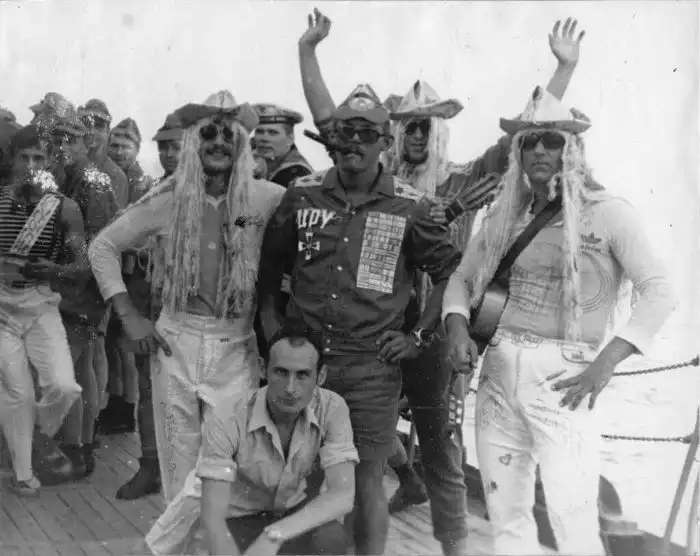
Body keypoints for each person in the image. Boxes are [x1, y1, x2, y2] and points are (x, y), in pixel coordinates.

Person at [298, 9, 586, 552]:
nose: (416, 134)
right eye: (408, 125)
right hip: (375, 340)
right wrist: (309, 52)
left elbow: (526, 135)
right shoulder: (375, 179)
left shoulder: (461, 177)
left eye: (426, 125)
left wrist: (562, 71)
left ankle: (454, 546)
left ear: (439, 132)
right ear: (393, 133)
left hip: (431, 340)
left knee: (442, 450)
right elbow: (332, 124)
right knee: (352, 451)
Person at [442, 86, 677, 555]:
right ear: (518, 152)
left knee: (573, 519)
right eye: (529, 142)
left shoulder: (609, 212)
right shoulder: (506, 216)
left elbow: (660, 292)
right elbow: (461, 280)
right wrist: (457, 328)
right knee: (506, 515)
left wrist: (606, 363)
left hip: (566, 376)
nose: (540, 151)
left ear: (573, 149)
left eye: (551, 141)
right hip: (498, 371)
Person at [257, 84, 463, 555]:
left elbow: (450, 272)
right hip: (304, 366)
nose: (354, 141)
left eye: (366, 134)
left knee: (367, 482)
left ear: (384, 143)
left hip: (372, 368)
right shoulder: (302, 195)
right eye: (345, 131)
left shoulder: (411, 206)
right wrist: (271, 329)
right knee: (300, 475)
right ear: (332, 139)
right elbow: (269, 268)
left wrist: (418, 336)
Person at [88, 90, 286, 507]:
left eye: (229, 135)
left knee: (227, 464)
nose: (218, 143)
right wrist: (128, 315)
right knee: (179, 467)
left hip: (235, 346)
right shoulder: (166, 198)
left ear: (242, 145)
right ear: (194, 142)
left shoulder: (267, 198)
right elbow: (102, 247)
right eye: (208, 134)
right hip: (175, 343)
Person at [197, 325, 357, 555]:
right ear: (263, 369)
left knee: (331, 538)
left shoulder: (332, 407)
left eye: (303, 375)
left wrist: (275, 535)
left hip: (291, 516)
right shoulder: (227, 415)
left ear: (320, 376)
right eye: (281, 372)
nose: (290, 388)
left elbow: (342, 495)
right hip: (240, 519)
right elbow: (214, 519)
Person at [0, 125, 86, 494]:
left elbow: (83, 264)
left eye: (39, 157)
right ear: (12, 159)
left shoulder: (65, 207)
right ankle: (23, 474)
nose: (32, 165)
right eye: (25, 157)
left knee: (64, 387)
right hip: (1, 307)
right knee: (18, 393)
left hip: (41, 302)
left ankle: (35, 432)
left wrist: (56, 270)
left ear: (50, 161)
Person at [114, 110, 184, 500]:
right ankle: (150, 466)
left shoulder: (226, 195)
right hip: (149, 303)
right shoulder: (154, 191)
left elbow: (246, 226)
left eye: (176, 146)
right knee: (148, 387)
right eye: (163, 147)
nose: (168, 154)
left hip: (193, 310)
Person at [102, 116, 154, 436]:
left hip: (132, 271)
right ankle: (118, 403)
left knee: (124, 343)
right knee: (114, 341)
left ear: (137, 148)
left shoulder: (142, 183)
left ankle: (126, 408)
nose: (119, 151)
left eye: (125, 146)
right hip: (121, 267)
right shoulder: (117, 177)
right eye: (115, 145)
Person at [251, 103, 313, 188]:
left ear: (290, 138)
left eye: (273, 132)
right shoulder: (251, 154)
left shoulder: (296, 174)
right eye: (260, 132)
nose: (264, 138)